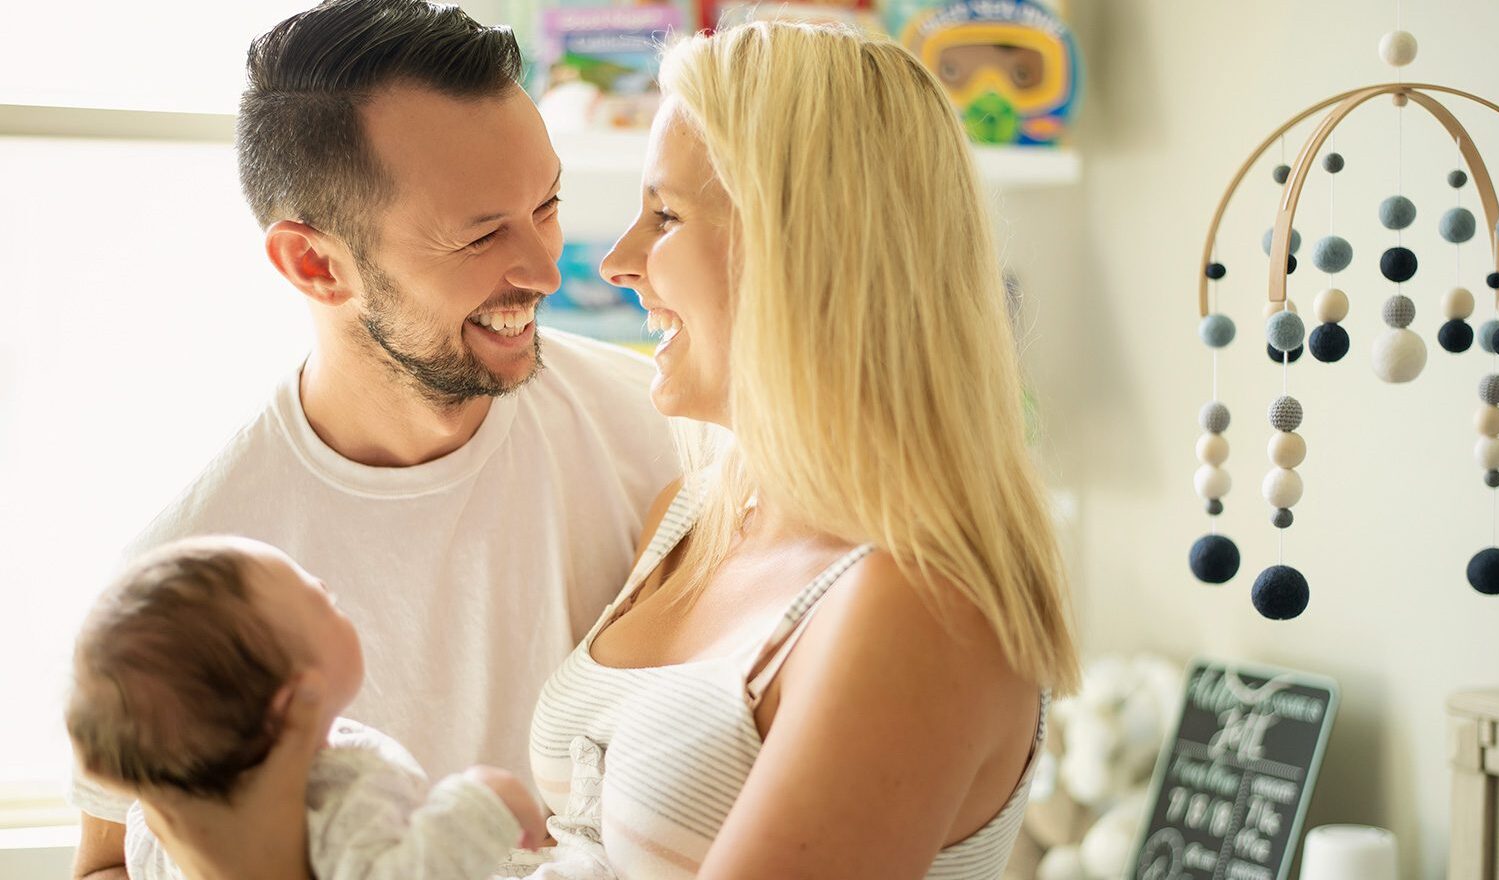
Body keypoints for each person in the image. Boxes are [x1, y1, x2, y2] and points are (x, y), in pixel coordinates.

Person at [147, 19, 1083, 880]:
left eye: (665, 216)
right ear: (314, 266)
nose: (604, 262)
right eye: (480, 230)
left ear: (806, 253)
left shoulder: (916, 604)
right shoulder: (696, 514)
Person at [69, 2, 678, 877]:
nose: (546, 269)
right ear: (315, 264)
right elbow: (109, 863)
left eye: (545, 205)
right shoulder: (193, 579)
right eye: (479, 234)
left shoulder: (663, 437)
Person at [68, 536, 549, 880]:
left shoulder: (154, 826)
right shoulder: (339, 795)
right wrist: (484, 800)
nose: (322, 582)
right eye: (321, 601)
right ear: (296, 700)